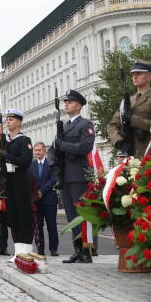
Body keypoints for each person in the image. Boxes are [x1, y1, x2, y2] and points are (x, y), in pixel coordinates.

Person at [52, 89, 96, 263]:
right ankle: (77, 249)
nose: (66, 104)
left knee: (82, 214)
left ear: (78, 105)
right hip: (65, 175)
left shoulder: (85, 125)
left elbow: (84, 147)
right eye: (65, 102)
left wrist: (63, 146)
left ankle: (87, 251)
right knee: (71, 215)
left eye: (69, 102)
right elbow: (54, 148)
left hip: (79, 175)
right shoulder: (64, 126)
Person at [106, 61, 151, 159]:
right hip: (129, 154)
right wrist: (119, 141)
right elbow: (112, 125)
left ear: (149, 77)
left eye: (139, 74)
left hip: (149, 153)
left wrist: (133, 119)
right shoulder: (127, 101)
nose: (135, 77)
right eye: (133, 74)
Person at [0, 109, 35, 264]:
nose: (8, 122)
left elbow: (26, 161)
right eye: (7, 119)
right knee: (13, 217)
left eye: (11, 120)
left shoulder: (24, 140)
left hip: (21, 180)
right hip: (10, 181)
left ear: (19, 122)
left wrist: (8, 156)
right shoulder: (5, 140)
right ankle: (18, 252)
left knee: (24, 216)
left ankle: (27, 251)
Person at [29, 142, 58, 257]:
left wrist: (42, 191)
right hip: (37, 201)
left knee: (52, 225)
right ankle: (40, 249)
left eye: (39, 150)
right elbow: (30, 181)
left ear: (44, 151)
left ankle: (54, 249)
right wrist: (35, 193)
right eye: (35, 150)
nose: (37, 152)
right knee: (38, 226)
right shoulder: (32, 165)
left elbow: (53, 179)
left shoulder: (51, 163)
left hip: (49, 199)